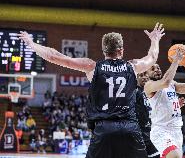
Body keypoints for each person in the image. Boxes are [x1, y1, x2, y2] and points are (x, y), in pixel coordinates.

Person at [19, 22, 165, 158]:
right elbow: (152, 56)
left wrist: (32, 44)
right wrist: (155, 39)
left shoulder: (92, 67)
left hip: (104, 128)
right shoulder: (132, 66)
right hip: (130, 128)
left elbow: (54, 56)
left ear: (104, 50)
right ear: (121, 50)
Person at [144, 48, 185, 158]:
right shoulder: (149, 85)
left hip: (177, 131)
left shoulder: (172, 84)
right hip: (161, 130)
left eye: (158, 67)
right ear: (147, 74)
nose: (156, 70)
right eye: (152, 69)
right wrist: (176, 61)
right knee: (174, 156)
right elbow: (165, 82)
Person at [135, 72, 185, 158]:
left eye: (145, 75)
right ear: (136, 79)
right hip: (141, 133)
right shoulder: (136, 92)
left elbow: (158, 109)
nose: (144, 77)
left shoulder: (155, 92)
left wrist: (174, 107)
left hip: (154, 131)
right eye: (141, 76)